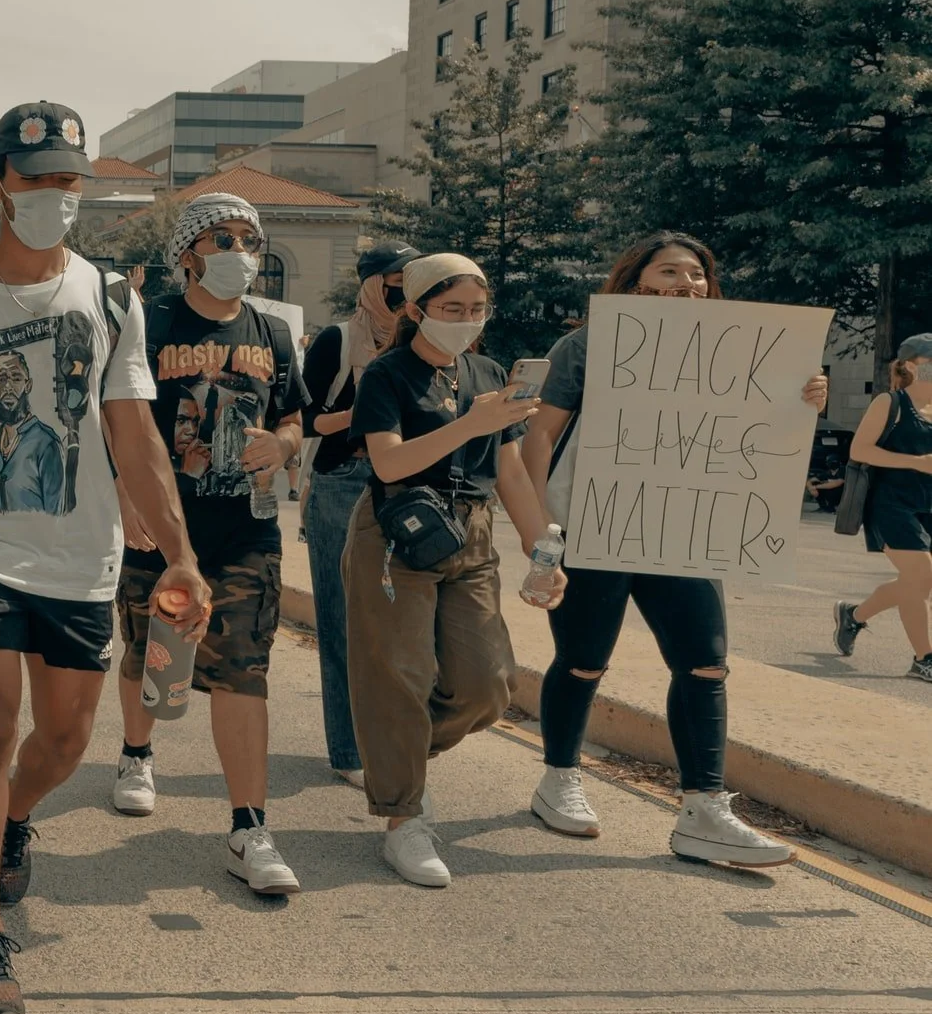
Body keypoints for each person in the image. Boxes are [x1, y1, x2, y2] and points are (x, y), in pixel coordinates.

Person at [0, 102, 207, 1014]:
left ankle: (17, 817)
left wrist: (178, 549)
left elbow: (132, 432)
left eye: (69, 181)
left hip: (81, 559)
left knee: (61, 744)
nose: (56, 196)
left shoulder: (111, 299)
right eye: (37, 181)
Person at [523, 233, 815, 866]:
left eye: (698, 275)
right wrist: (546, 527)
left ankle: (704, 810)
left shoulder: (738, 352)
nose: (687, 284)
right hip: (597, 524)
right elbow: (539, 437)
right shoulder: (588, 344)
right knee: (583, 661)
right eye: (671, 272)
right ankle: (559, 778)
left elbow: (760, 435)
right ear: (635, 284)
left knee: (706, 664)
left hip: (685, 530)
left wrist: (802, 399)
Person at [108, 192, 311, 895]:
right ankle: (138, 752)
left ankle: (249, 827)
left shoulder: (275, 332)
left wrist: (280, 444)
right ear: (190, 250)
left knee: (242, 671)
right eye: (221, 239)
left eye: (249, 240)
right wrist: (129, 500)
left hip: (247, 530)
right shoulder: (149, 321)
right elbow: (120, 422)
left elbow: (295, 420)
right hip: (162, 529)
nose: (239, 253)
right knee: (150, 654)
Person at [344, 254, 561, 888]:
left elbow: (513, 472)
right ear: (415, 311)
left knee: (489, 684)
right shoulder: (387, 375)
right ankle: (403, 818)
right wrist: (473, 421)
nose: (467, 322)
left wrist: (543, 549)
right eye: (451, 310)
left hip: (471, 531)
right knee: (400, 678)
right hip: (397, 532)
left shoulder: (490, 373)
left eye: (476, 310)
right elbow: (387, 464)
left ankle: (399, 760)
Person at [298, 242, 417, 788]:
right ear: (371, 283)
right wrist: (371, 408)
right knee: (343, 622)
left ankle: (393, 740)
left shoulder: (421, 340)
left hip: (405, 489)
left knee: (398, 624)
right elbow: (305, 421)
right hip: (341, 484)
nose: (403, 287)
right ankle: (348, 751)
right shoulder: (338, 340)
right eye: (395, 278)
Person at [834, 332, 932, 681]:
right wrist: (917, 462)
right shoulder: (890, 403)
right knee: (921, 574)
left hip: (928, 506)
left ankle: (854, 615)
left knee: (917, 581)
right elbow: (859, 451)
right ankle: (924, 659)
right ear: (908, 366)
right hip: (891, 505)